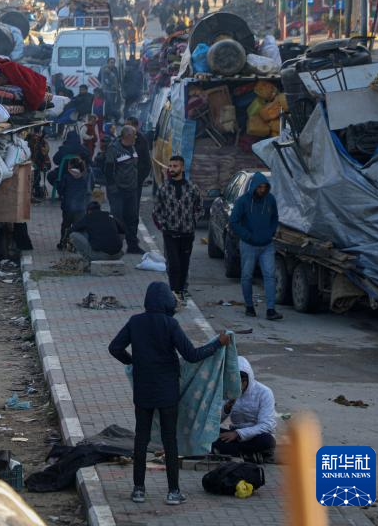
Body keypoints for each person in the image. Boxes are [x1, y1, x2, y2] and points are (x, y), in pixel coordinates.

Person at [109, 282, 231, 506]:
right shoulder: (170, 324)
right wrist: (217, 343)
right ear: (166, 301)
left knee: (141, 439)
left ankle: (138, 490)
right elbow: (193, 355)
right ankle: (173, 491)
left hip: (143, 390)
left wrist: (134, 362)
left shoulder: (135, 322)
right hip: (167, 392)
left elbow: (114, 348)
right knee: (169, 441)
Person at [230, 172, 282, 321]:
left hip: (267, 244)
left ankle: (271, 309)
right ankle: (249, 306)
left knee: (270, 276)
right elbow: (234, 221)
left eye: (264, 187)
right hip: (248, 245)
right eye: (259, 187)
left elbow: (275, 217)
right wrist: (247, 236)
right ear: (254, 186)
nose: (262, 190)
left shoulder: (270, 200)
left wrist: (271, 232)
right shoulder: (243, 201)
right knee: (247, 276)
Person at [152, 155, 204, 300]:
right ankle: (173, 293)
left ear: (182, 168)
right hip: (170, 233)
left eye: (175, 166)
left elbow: (200, 207)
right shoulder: (164, 188)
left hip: (187, 233)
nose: (172, 169)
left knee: (183, 265)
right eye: (170, 166)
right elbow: (157, 210)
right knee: (173, 265)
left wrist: (193, 221)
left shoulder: (192, 188)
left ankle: (180, 292)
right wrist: (164, 224)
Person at [211, 356, 277, 461]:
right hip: (235, 433)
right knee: (210, 433)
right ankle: (249, 455)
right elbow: (216, 420)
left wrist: (238, 434)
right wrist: (227, 408)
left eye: (240, 382)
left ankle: (233, 452)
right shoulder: (228, 391)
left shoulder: (264, 392)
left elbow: (266, 425)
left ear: (246, 380)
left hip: (256, 434)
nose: (236, 386)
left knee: (266, 441)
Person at [104, 125, 143, 254]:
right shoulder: (113, 149)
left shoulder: (133, 148)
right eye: (134, 135)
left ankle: (133, 246)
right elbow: (108, 171)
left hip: (131, 190)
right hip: (118, 191)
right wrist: (113, 189)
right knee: (117, 219)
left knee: (132, 218)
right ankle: (115, 246)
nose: (136, 137)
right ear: (128, 136)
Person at [55, 157, 91, 244]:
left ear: (70, 166)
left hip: (68, 206)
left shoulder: (66, 177)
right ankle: (76, 244)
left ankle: (63, 242)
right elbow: (89, 189)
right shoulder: (85, 176)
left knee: (66, 225)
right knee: (78, 226)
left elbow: (60, 190)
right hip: (81, 207)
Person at [98, 57, 122, 122]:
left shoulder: (115, 69)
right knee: (108, 105)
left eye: (113, 63)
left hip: (114, 91)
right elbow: (101, 78)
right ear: (108, 63)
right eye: (111, 62)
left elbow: (117, 77)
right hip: (107, 90)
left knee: (114, 104)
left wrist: (117, 86)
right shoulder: (104, 69)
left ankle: (112, 117)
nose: (112, 64)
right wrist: (105, 85)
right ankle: (108, 118)